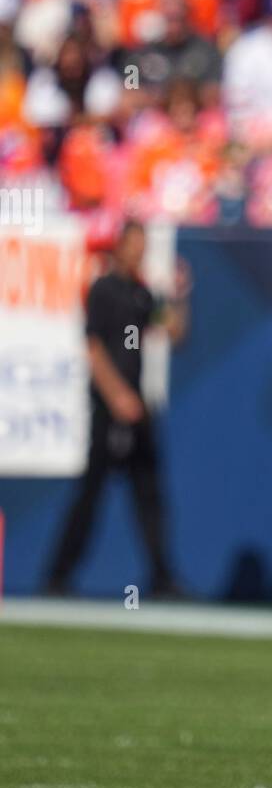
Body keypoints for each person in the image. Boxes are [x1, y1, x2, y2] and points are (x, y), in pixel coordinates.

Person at [46, 219, 190, 598]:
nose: (140, 252)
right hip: (110, 410)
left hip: (137, 409)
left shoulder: (141, 293)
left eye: (144, 245)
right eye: (134, 245)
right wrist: (117, 396)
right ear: (119, 247)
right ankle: (57, 577)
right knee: (91, 495)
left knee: (149, 495)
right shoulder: (104, 289)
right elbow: (93, 348)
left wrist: (179, 294)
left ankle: (162, 577)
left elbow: (174, 334)